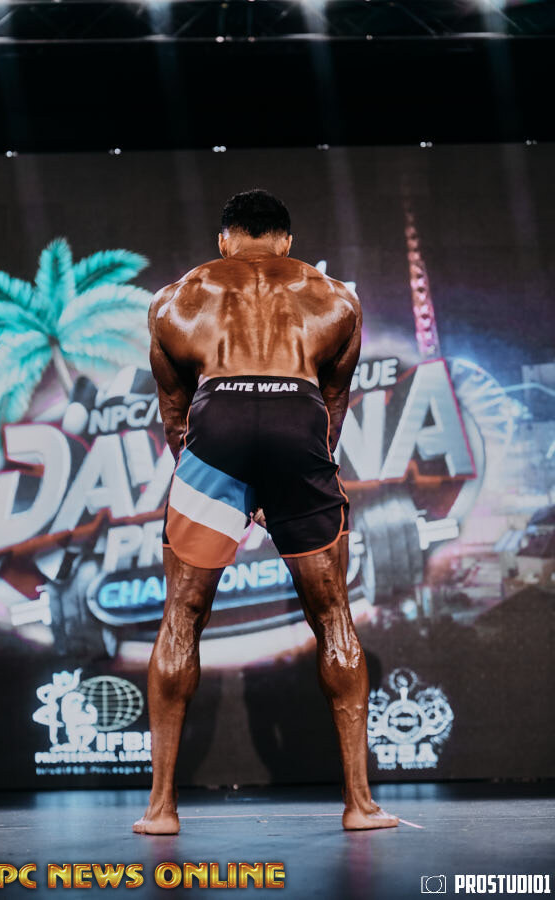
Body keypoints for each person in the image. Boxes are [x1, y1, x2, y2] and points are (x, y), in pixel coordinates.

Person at [133, 189, 398, 834]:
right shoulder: (335, 298)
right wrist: (290, 477)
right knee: (332, 615)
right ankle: (360, 805)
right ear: (287, 240)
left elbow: (175, 416)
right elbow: (331, 406)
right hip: (297, 419)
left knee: (182, 615)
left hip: (216, 424)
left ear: (225, 239)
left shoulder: (175, 299)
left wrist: (220, 484)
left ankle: (161, 810)